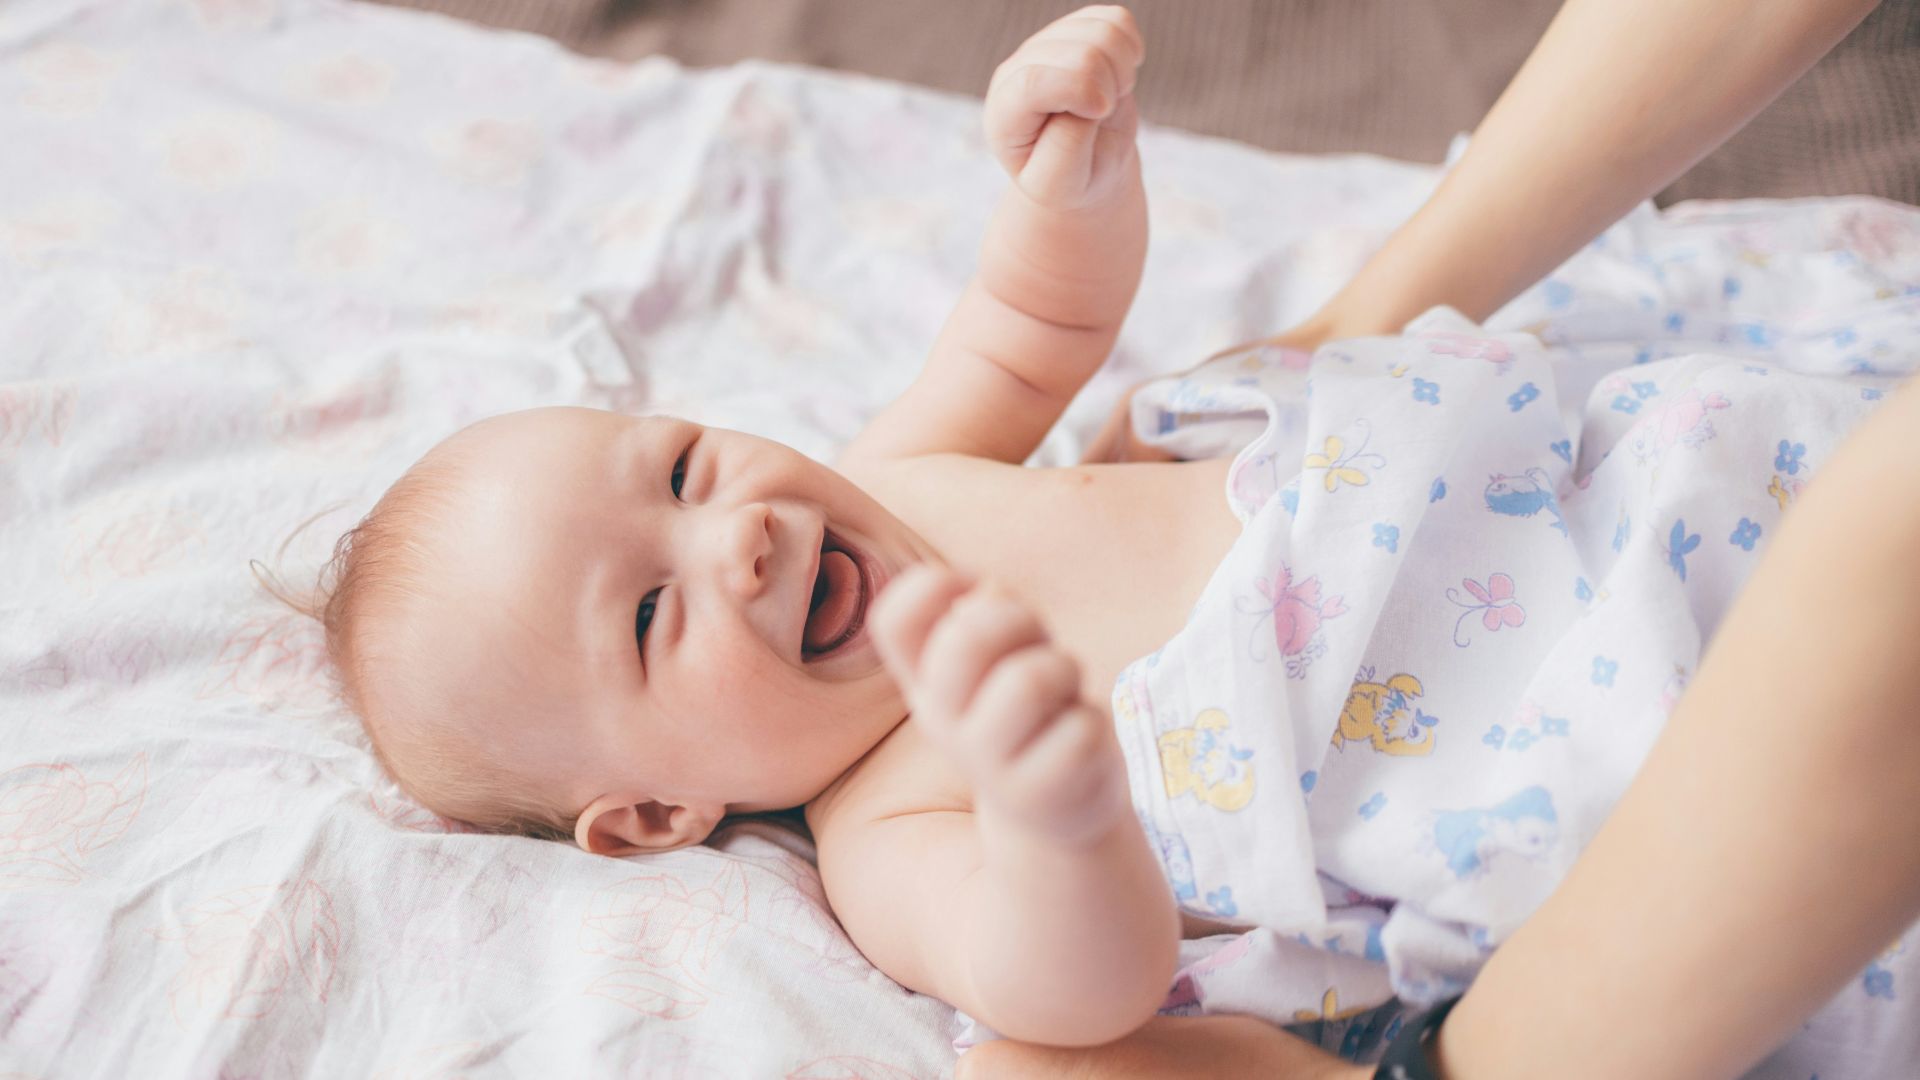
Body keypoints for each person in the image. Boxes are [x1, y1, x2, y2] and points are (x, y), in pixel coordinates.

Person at [290, 2, 1911, 1077]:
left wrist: (1064, 186)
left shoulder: (902, 474)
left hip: (1599, 491)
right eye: (652, 614)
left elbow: (1026, 328)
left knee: (1792, 476)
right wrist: (1059, 806)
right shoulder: (890, 824)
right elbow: (1075, 992)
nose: (744, 538)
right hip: (1568, 735)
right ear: (652, 811)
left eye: (689, 466)